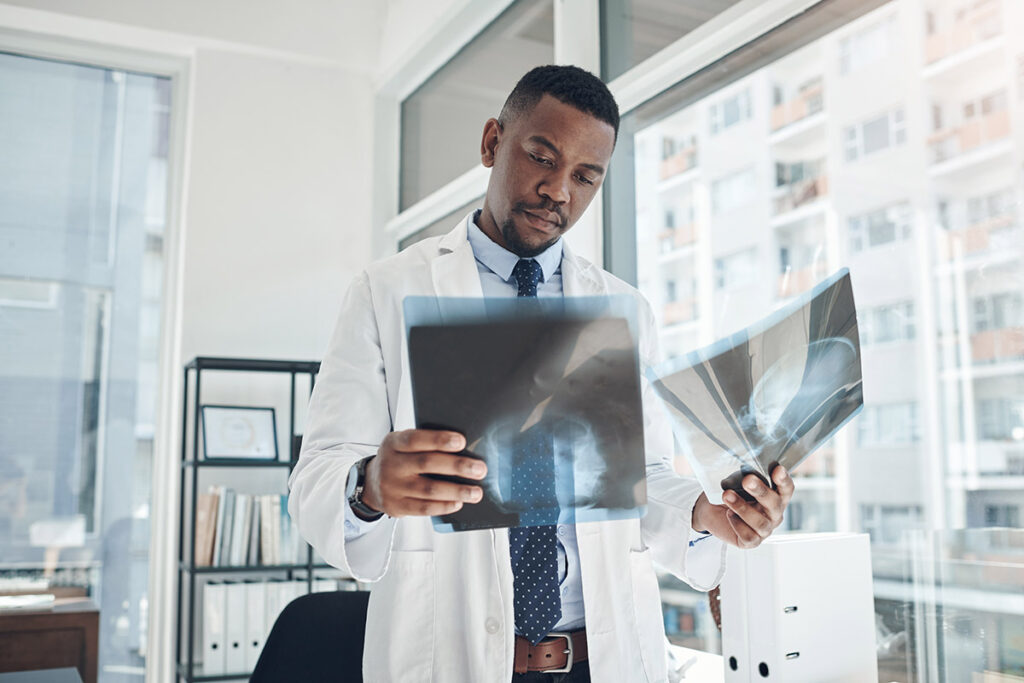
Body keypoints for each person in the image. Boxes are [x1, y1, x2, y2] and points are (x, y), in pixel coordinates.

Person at [288, 65, 795, 683]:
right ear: (491, 143)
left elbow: (642, 479)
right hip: (452, 661)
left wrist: (706, 512)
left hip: (601, 659)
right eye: (541, 157)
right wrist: (368, 487)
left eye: (586, 176)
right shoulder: (385, 292)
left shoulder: (622, 308)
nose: (559, 191)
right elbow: (316, 477)